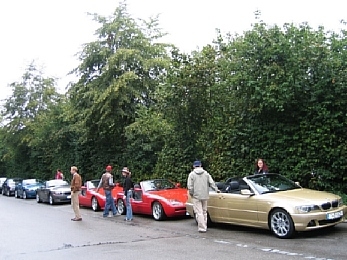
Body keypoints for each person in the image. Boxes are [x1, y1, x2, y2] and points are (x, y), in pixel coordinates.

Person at [187, 160, 219, 233]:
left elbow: (190, 186)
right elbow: (212, 183)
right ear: (201, 165)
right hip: (205, 195)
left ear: (194, 166)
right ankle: (205, 225)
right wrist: (216, 190)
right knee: (204, 211)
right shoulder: (206, 173)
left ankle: (202, 228)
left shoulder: (192, 174)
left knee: (199, 212)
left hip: (196, 196)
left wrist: (192, 194)